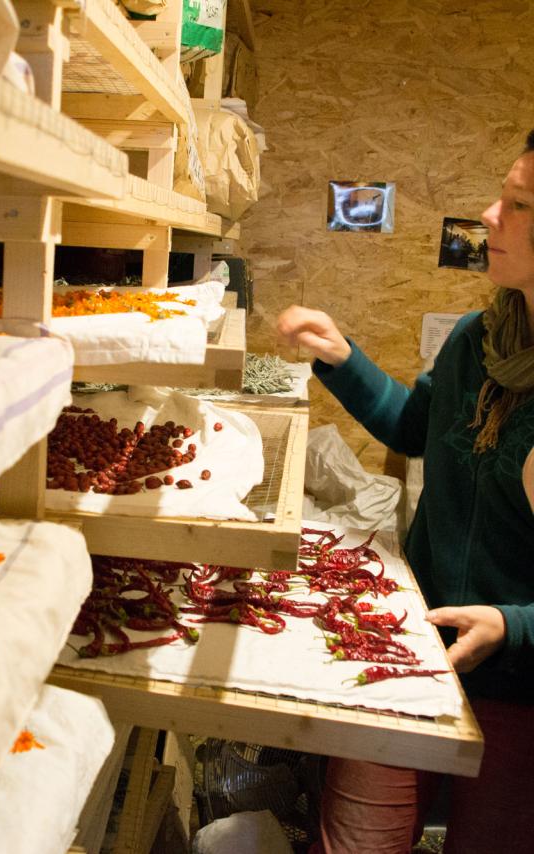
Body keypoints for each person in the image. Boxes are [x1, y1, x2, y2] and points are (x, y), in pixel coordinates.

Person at [277, 131, 534, 854]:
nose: (489, 215)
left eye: (517, 204)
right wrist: (341, 357)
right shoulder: (478, 340)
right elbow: (413, 426)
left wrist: (515, 626)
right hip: (411, 650)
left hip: (522, 692)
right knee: (357, 840)